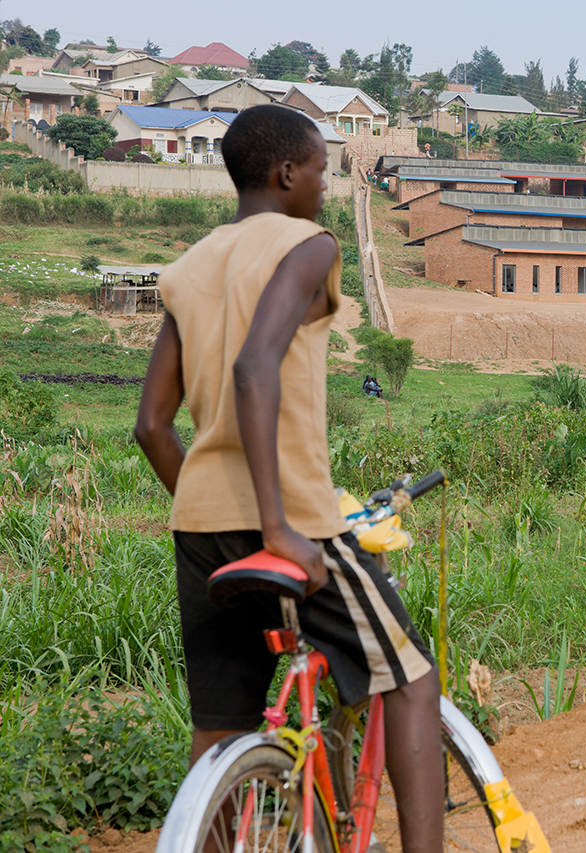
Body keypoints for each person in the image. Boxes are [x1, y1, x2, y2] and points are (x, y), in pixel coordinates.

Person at [133, 105, 444, 853]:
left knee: (219, 733)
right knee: (410, 677)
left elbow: (150, 425)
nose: (327, 185)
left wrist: (216, 510)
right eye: (323, 169)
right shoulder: (309, 245)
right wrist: (274, 525)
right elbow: (254, 365)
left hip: (199, 528)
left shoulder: (192, 264)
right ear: (286, 173)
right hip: (296, 520)